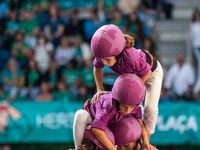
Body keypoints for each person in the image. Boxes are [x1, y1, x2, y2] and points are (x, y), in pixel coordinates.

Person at [91, 24, 163, 138]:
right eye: (102, 59)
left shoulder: (131, 59)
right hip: (132, 75)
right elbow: (97, 68)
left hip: (152, 73)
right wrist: (100, 89)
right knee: (123, 104)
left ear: (118, 54)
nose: (104, 63)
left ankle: (146, 141)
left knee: (150, 108)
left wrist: (133, 90)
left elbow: (147, 73)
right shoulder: (104, 54)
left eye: (107, 60)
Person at [73, 73, 155, 150]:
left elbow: (141, 125)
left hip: (107, 121)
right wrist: (112, 148)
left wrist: (146, 142)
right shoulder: (108, 107)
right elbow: (96, 129)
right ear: (117, 100)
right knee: (81, 115)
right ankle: (77, 147)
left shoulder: (135, 108)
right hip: (91, 118)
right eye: (124, 106)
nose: (127, 110)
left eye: (131, 107)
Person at [189, 9, 200, 98]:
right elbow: (191, 37)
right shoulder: (193, 25)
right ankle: (196, 89)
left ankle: (196, 89)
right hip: (196, 47)